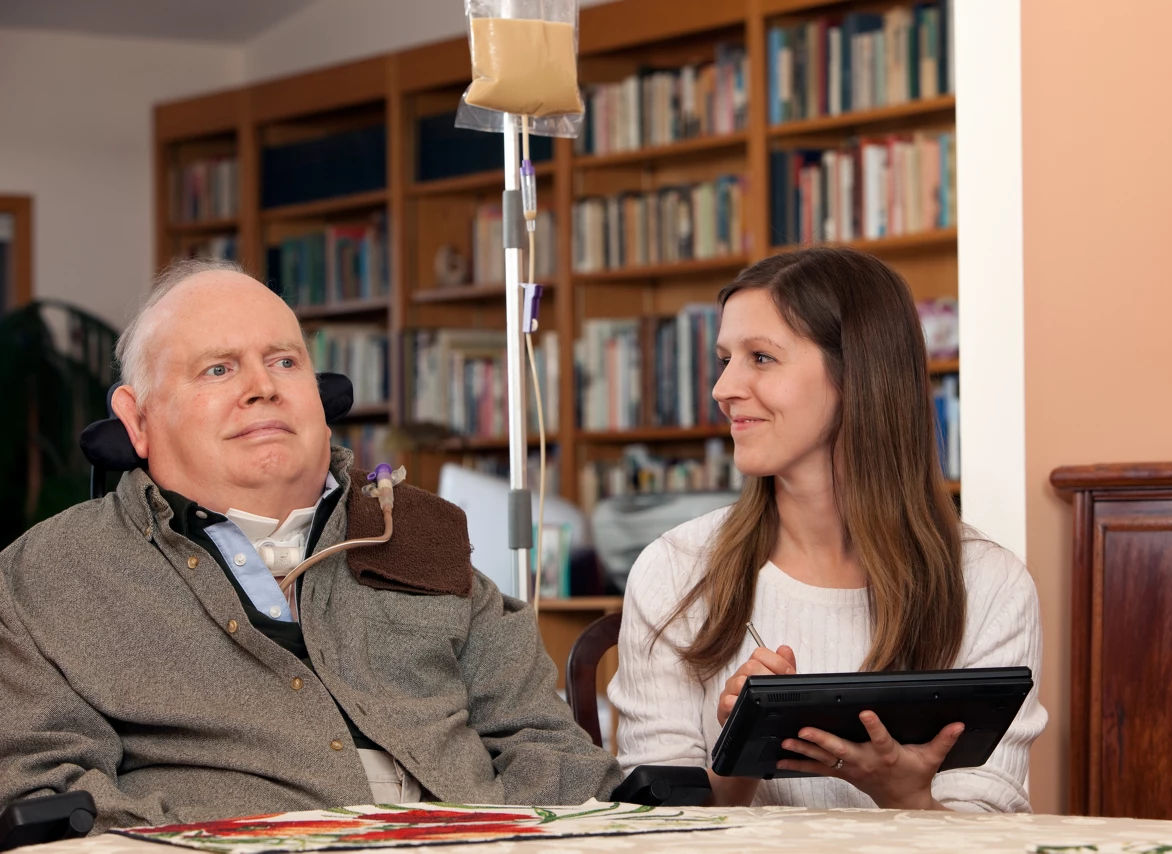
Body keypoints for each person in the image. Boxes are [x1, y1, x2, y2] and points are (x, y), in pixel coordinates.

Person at [0, 259, 622, 831]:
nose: (262, 387)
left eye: (284, 362)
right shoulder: (47, 576)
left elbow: (542, 743)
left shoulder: (415, 531)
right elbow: (44, 794)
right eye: (219, 369)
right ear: (136, 420)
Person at [608, 247, 1047, 811]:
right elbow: (654, 827)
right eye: (725, 359)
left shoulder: (989, 582)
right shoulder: (676, 569)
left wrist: (905, 794)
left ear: (858, 374)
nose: (723, 388)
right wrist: (741, 755)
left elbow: (990, 827)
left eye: (761, 358)